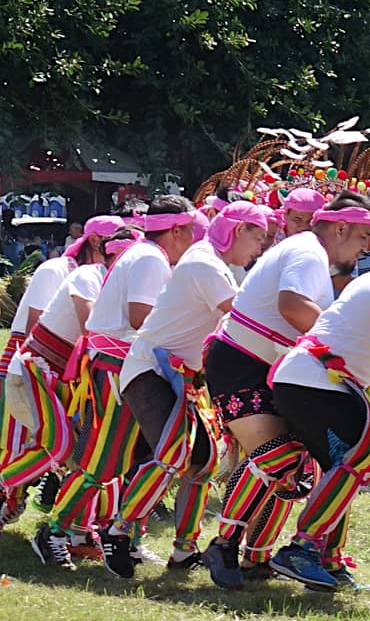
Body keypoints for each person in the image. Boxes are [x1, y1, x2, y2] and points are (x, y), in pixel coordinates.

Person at [213, 230, 370, 592]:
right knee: (362, 455)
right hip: (316, 381)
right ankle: (302, 550)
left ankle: (324, 559)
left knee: (339, 466)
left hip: (308, 378)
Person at [201, 191, 370, 586]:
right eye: (363, 235)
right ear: (341, 227)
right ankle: (225, 544)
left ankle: (257, 558)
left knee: (300, 465)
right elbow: (293, 306)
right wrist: (341, 346)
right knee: (278, 457)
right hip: (240, 363)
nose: (367, 246)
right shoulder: (308, 251)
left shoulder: (311, 253)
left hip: (265, 366)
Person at [100, 202, 271, 576]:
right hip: (152, 370)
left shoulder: (213, 263)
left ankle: (183, 549)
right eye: (257, 238)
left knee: (202, 463)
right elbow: (242, 316)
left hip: (182, 377)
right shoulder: (204, 264)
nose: (259, 248)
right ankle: (116, 531)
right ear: (238, 230)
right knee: (173, 456)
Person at [38, 196, 198, 560]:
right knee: (103, 462)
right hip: (115, 366)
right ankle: (54, 532)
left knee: (132, 462)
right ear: (176, 230)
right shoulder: (150, 258)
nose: (193, 239)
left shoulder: (146, 255)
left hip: (124, 366)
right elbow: (142, 316)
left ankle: (129, 540)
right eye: (190, 232)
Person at [2, 228, 134, 538]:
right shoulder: (89, 275)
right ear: (108, 253)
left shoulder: (118, 289)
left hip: (63, 384)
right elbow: (94, 328)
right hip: (33, 375)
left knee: (82, 456)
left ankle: (78, 533)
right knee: (62, 449)